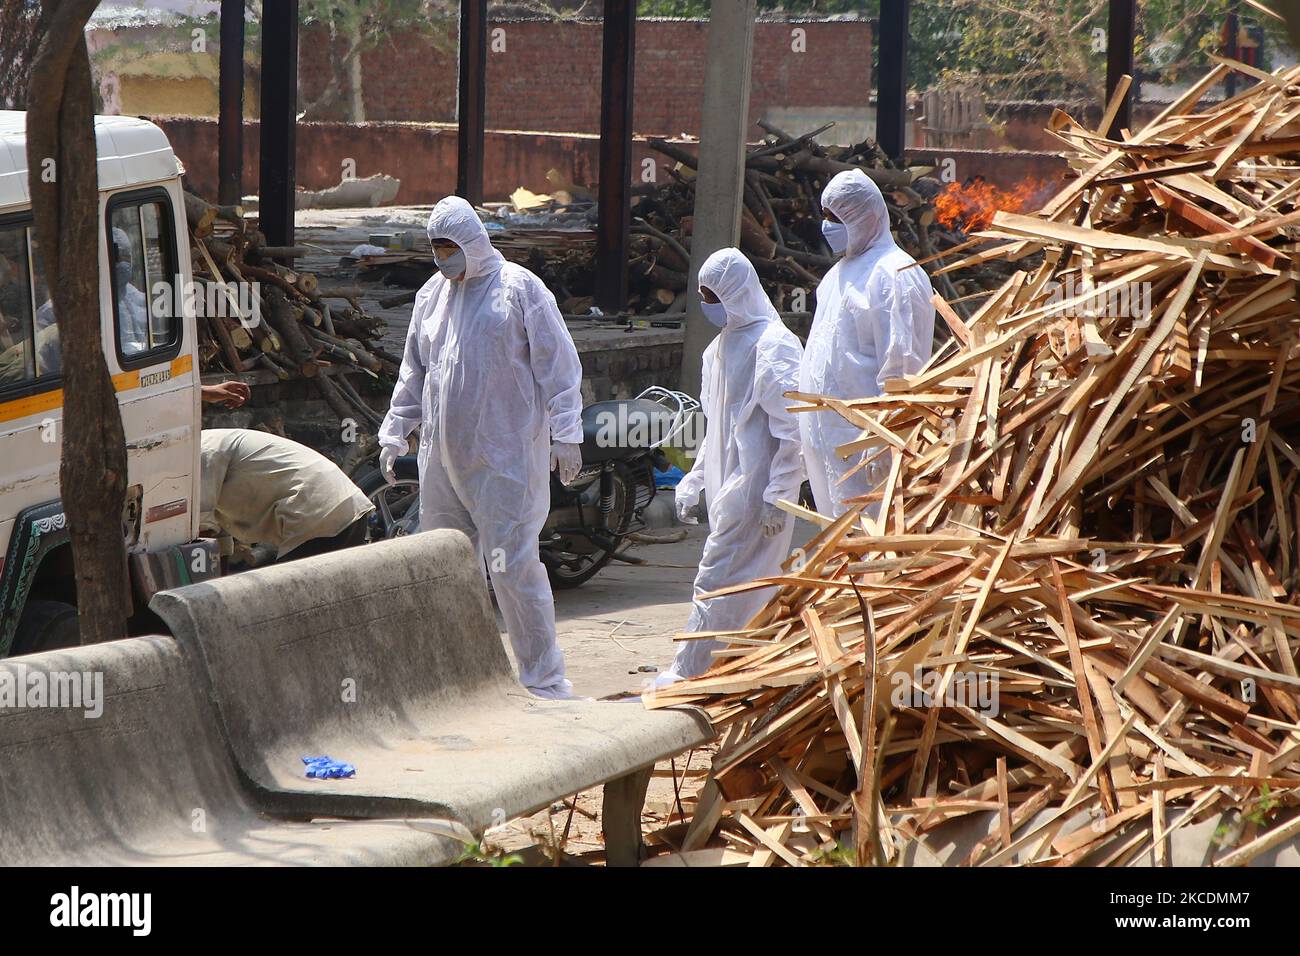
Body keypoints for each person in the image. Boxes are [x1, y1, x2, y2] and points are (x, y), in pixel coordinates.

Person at [377, 196, 584, 700]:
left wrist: (566, 434)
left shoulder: (519, 289)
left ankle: (543, 678)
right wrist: (395, 426)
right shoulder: (432, 295)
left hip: (504, 457)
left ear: (472, 241)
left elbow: (559, 366)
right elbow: (414, 370)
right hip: (442, 460)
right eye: (436, 248)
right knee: (446, 569)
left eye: (450, 247)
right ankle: (460, 676)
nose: (442, 257)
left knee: (513, 566)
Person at [655, 248, 804, 686]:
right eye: (702, 295)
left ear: (737, 291)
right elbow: (716, 426)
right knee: (752, 587)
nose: (707, 304)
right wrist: (695, 478)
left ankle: (689, 673)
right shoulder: (717, 349)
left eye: (713, 294)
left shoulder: (773, 346)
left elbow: (793, 427)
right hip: (729, 490)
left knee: (715, 579)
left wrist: (778, 493)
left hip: (754, 491)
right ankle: (748, 670)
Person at [799, 168, 935, 518]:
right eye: (825, 215)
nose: (827, 225)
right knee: (835, 558)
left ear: (866, 215)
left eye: (837, 216)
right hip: (828, 443)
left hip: (866, 449)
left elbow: (904, 367)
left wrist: (886, 439)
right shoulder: (835, 277)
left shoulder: (895, 274)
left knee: (872, 553)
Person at [199, 428, 374, 561]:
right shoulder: (212, 445)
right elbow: (215, 541)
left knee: (294, 602)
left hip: (316, 514)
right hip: (349, 504)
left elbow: (201, 535)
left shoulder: (201, 451)